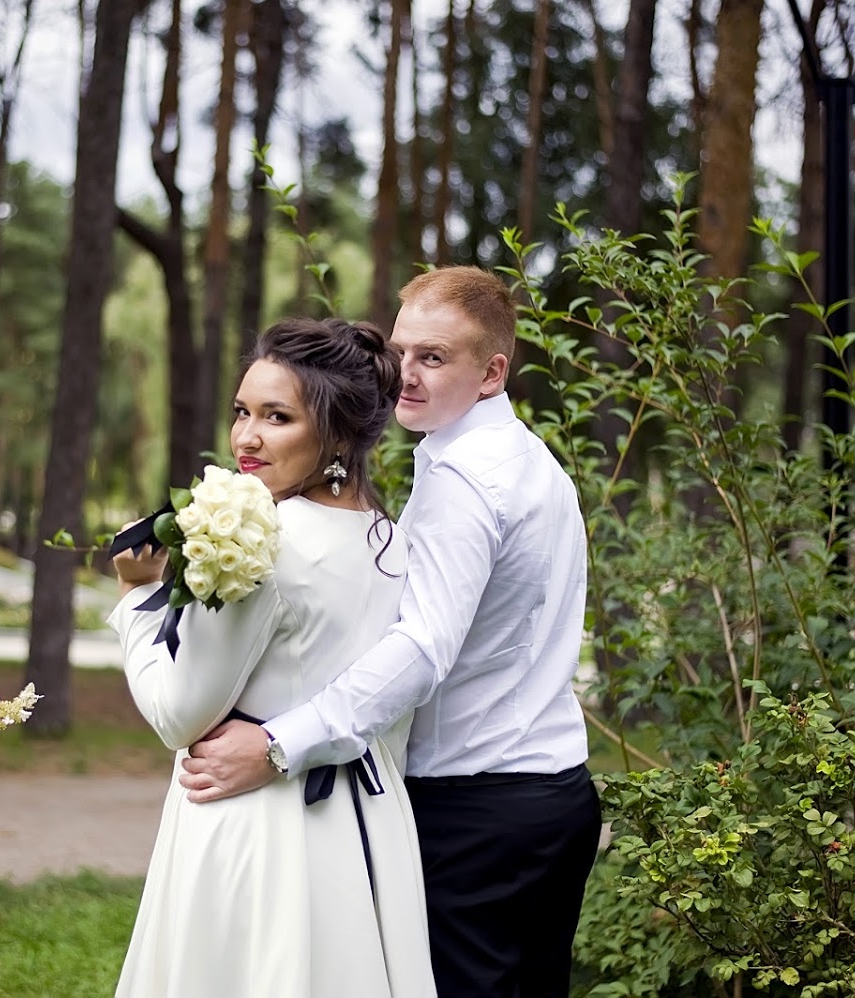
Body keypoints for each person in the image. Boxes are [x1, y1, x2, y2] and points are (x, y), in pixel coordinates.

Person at [179, 266, 602, 998]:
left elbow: (423, 647)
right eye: (402, 350)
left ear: (492, 372)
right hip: (551, 796)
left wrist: (281, 744)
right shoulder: (529, 460)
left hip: (478, 811)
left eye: (433, 359)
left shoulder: (465, 480)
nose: (403, 375)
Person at [107, 317, 437, 997]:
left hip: (258, 830)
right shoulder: (390, 539)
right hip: (366, 824)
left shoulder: (261, 545)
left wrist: (136, 606)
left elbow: (178, 714)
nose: (246, 438)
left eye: (277, 416)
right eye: (242, 412)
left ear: (337, 433)